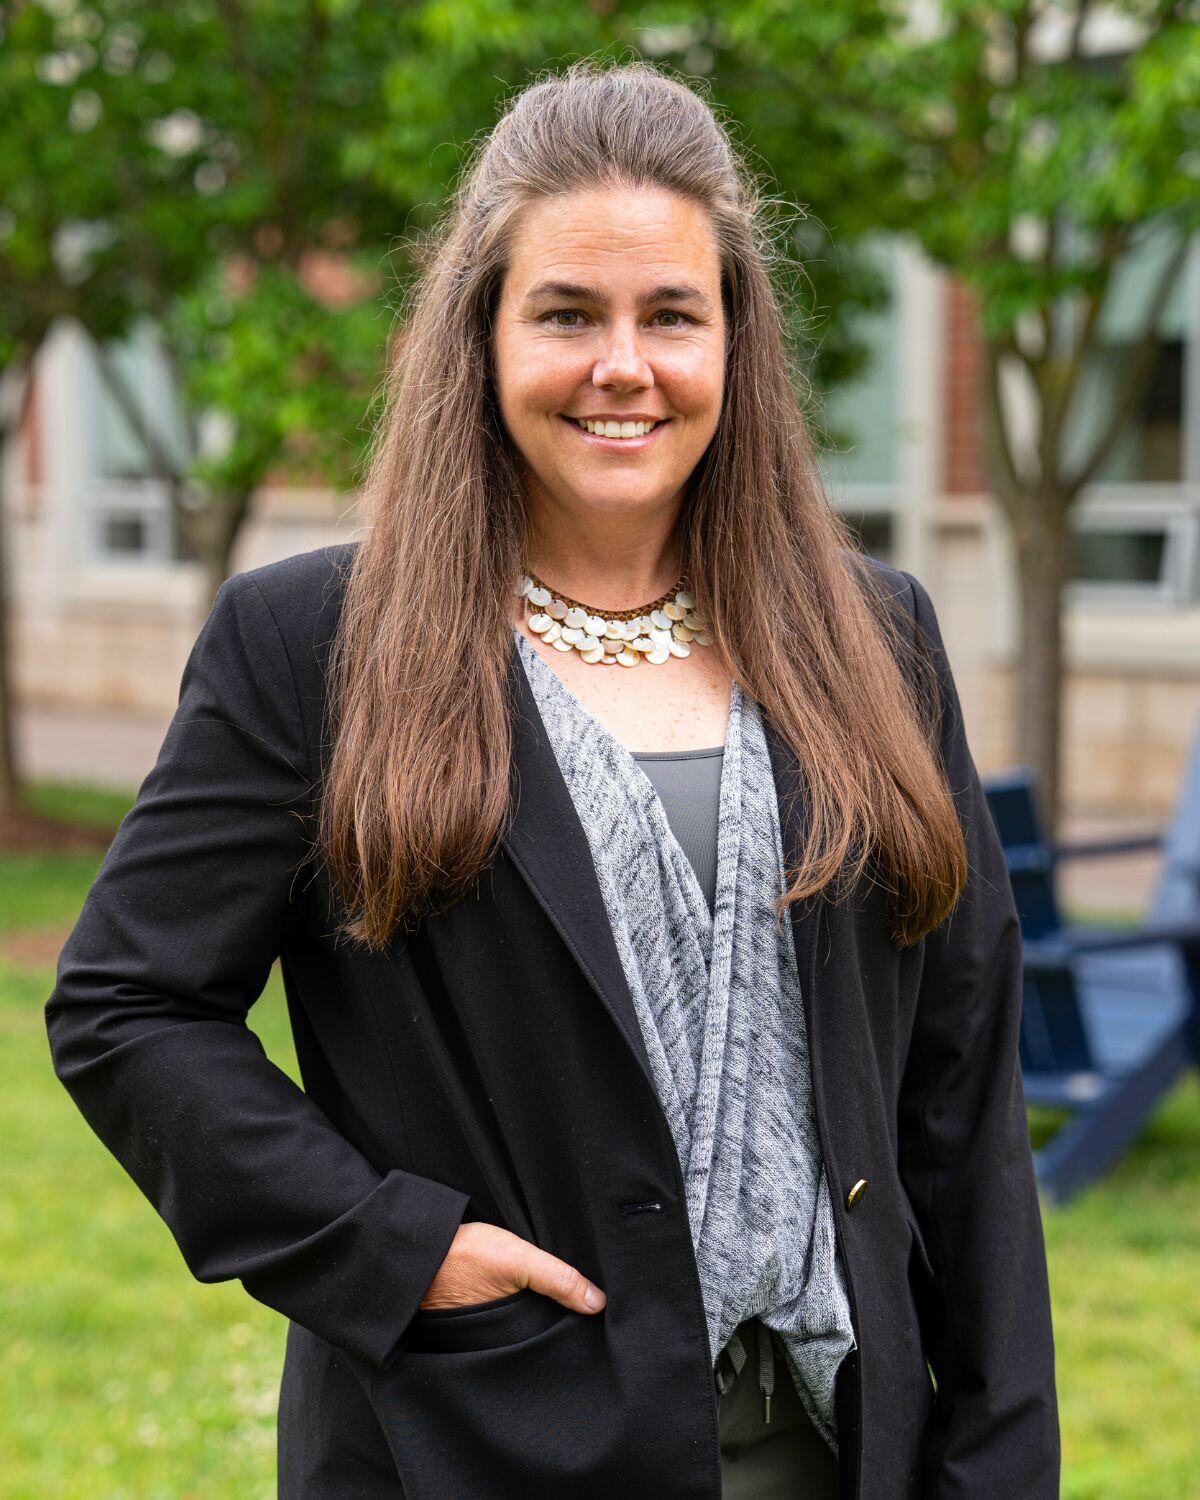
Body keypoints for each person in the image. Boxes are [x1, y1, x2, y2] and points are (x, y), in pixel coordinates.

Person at [46, 57, 1060, 1500]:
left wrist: (1001, 1458)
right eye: (567, 314)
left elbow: (962, 1088)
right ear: (483, 336)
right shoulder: (316, 645)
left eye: (671, 316)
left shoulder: (875, 636)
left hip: (849, 1446)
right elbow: (128, 1006)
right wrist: (392, 1251)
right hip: (480, 1438)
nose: (622, 366)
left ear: (736, 344)